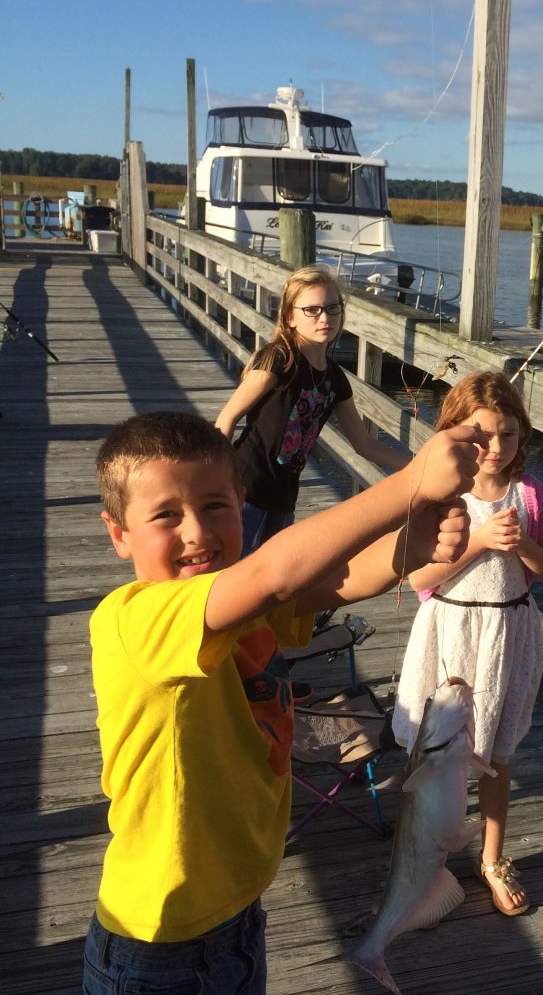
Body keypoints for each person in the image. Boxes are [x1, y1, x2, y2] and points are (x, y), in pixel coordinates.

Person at [84, 409, 479, 994]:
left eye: (215, 505)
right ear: (119, 534)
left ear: (242, 501)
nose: (197, 531)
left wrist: (411, 546)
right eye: (166, 515)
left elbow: (333, 580)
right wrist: (410, 483)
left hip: (238, 914)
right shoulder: (135, 620)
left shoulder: (238, 607)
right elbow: (275, 573)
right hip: (157, 939)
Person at [391, 371, 543, 917]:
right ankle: (427, 857)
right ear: (455, 433)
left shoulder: (529, 494)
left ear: (522, 435)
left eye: (508, 434)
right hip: (451, 631)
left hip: (507, 634)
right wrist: (480, 542)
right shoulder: (442, 493)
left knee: (496, 754)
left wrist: (524, 547)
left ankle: (491, 857)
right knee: (436, 757)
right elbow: (418, 579)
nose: (495, 447)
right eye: (481, 434)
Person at [215, 265, 410, 556]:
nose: (325, 318)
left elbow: (364, 444)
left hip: (284, 499)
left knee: (273, 587)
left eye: (333, 308)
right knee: (231, 577)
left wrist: (419, 469)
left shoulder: (335, 377)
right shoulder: (280, 358)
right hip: (246, 490)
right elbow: (227, 418)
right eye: (312, 310)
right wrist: (219, 484)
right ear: (290, 316)